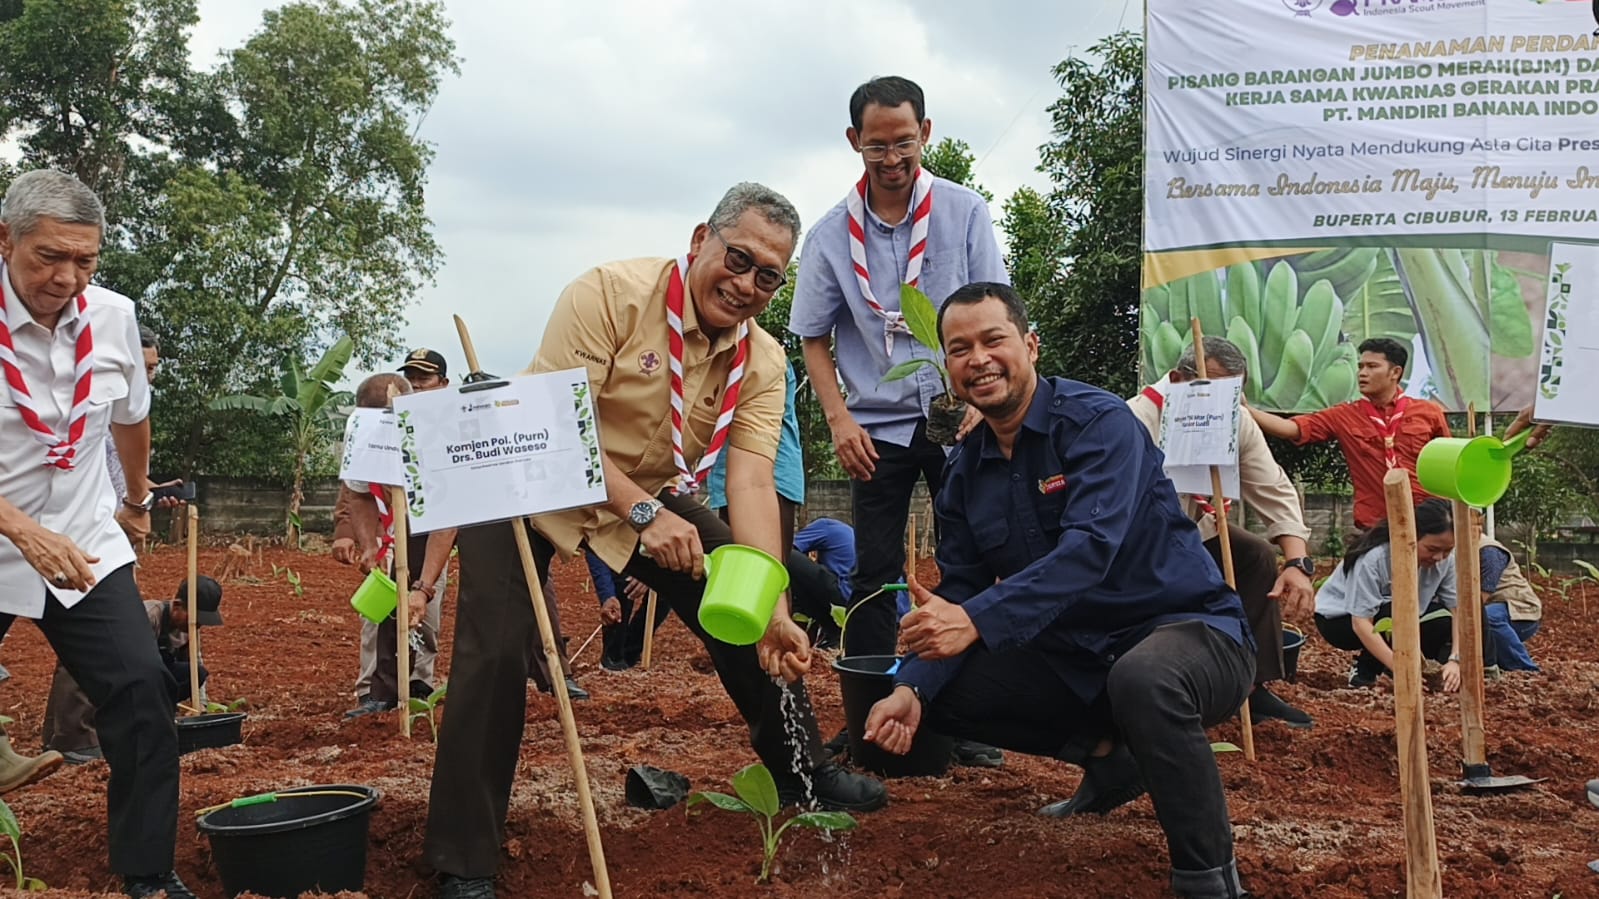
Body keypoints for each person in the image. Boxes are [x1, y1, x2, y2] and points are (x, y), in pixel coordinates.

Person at [422, 183, 886, 899]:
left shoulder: (762, 360)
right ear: (701, 239)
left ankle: (804, 770)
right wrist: (643, 514)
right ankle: (464, 859)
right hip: (527, 472)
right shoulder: (608, 295)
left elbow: (752, 482)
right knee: (495, 649)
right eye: (738, 259)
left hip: (642, 486)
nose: (746, 284)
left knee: (744, 590)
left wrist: (774, 606)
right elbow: (560, 432)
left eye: (768, 276)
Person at [862, 282, 1255, 899]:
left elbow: (1090, 550)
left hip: (1187, 632)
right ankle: (1109, 759)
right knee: (941, 688)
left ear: (1031, 345)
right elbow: (960, 587)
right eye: (960, 349)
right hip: (1077, 655)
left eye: (993, 340)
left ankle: (1207, 878)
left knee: (1144, 678)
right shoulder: (964, 470)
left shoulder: (1099, 423)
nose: (978, 359)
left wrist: (975, 620)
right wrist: (912, 686)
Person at [789, 75, 1008, 768]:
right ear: (854, 141)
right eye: (877, 145)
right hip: (875, 429)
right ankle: (868, 712)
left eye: (904, 142)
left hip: (956, 419)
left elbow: (996, 307)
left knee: (969, 562)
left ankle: (966, 715)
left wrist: (981, 401)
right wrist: (838, 420)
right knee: (874, 574)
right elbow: (813, 335)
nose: (892, 159)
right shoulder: (830, 234)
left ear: (926, 134)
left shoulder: (963, 212)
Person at [0, 169, 190, 897]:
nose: (67, 278)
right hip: (6, 536)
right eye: (50, 256)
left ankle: (148, 873)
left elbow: (131, 416)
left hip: (82, 542)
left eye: (85, 260)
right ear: (6, 240)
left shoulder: (113, 316)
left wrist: (135, 499)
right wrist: (23, 531)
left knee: (142, 693)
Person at [1128, 337, 1316, 728]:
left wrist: (1298, 562)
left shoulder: (1235, 418)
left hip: (1198, 531)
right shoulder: (1135, 420)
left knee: (1254, 556)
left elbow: (1273, 487)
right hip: (1138, 543)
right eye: (1210, 393)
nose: (1220, 407)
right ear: (1178, 380)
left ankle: (1253, 685)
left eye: (1231, 396)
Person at [333, 373, 456, 718]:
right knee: (388, 607)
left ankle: (422, 687)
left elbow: (445, 524)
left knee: (424, 608)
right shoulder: (362, 433)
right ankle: (383, 693)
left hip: (443, 520)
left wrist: (423, 587)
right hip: (396, 526)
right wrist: (369, 544)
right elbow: (359, 495)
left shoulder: (434, 439)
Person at [1250, 337, 1451, 532]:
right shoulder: (1343, 415)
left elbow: (1448, 468)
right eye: (1360, 367)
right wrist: (1245, 408)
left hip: (1429, 524)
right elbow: (1290, 429)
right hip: (1377, 527)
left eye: (1372, 366)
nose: (1362, 373)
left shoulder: (1429, 412)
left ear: (1395, 372)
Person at [43, 575, 225, 762]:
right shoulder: (147, 616)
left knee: (194, 672)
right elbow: (127, 660)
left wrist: (201, 703)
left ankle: (161, 715)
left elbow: (194, 666)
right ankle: (79, 740)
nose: (198, 626)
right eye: (196, 619)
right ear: (177, 606)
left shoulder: (189, 630)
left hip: (152, 672)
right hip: (123, 666)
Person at [1313, 499, 1461, 690]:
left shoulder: (1446, 562)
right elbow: (1361, 622)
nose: (1439, 557)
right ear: (1411, 536)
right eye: (1431, 549)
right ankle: (1366, 671)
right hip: (1340, 620)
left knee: (1439, 620)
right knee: (1393, 613)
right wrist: (1399, 667)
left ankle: (1425, 673)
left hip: (1397, 615)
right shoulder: (1374, 558)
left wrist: (1455, 660)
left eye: (1447, 550)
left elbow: (1458, 610)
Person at [1473, 513, 1542, 673]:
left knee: (1486, 617)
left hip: (1520, 611)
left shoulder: (1489, 551)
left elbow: (1480, 598)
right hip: (1497, 608)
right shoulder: (1452, 551)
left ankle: (1525, 669)